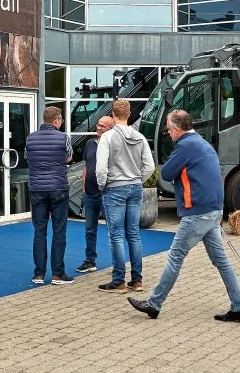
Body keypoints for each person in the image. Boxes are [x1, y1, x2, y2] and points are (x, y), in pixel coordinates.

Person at [128, 110, 240, 322]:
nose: (168, 133)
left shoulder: (186, 145)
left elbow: (165, 173)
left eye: (168, 128)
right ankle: (239, 308)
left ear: (176, 129)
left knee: (175, 256)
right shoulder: (202, 143)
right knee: (221, 262)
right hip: (212, 210)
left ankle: (154, 304)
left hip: (197, 212)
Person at [95, 99, 155, 293]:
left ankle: (118, 280)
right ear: (129, 115)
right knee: (134, 234)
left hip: (115, 188)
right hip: (135, 187)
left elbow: (101, 169)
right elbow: (150, 167)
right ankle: (137, 280)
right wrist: (138, 179)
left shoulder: (107, 138)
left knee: (117, 235)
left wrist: (103, 185)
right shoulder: (140, 137)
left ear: (113, 115)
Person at [24, 105, 75, 285]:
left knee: (39, 232)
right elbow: (68, 158)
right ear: (56, 120)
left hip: (37, 188)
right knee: (59, 231)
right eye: (60, 120)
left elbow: (27, 158)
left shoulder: (30, 138)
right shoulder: (63, 138)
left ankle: (38, 274)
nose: (61, 123)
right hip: (58, 188)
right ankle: (57, 275)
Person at [77, 115, 116, 273]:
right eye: (98, 125)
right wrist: (84, 186)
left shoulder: (114, 145)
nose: (98, 128)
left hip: (107, 194)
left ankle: (117, 264)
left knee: (113, 230)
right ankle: (89, 261)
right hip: (90, 193)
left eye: (103, 126)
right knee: (89, 229)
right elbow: (87, 165)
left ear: (111, 129)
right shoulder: (90, 144)